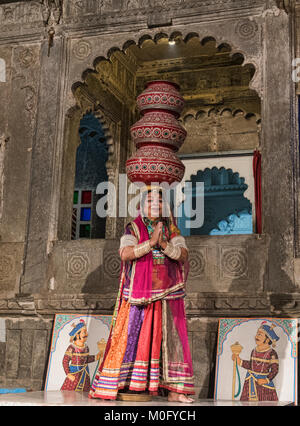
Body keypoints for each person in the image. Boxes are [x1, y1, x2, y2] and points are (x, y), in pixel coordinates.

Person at [89, 186, 195, 402]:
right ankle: (128, 385)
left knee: (168, 341)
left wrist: (162, 243)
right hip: (138, 296)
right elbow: (126, 254)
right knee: (134, 337)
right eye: (149, 202)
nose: (154, 205)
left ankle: (174, 391)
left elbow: (182, 256)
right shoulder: (133, 229)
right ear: (140, 206)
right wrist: (150, 243)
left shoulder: (172, 230)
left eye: (159, 202)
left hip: (166, 293)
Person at [232, 322, 279, 401]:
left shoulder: (272, 353)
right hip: (250, 381)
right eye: (257, 333)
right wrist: (240, 361)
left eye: (260, 334)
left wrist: (266, 380)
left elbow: (275, 370)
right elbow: (252, 365)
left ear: (267, 339)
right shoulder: (254, 350)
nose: (256, 336)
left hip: (263, 384)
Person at [61, 319, 101, 392]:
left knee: (84, 393)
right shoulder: (71, 348)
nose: (86, 334)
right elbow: (65, 361)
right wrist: (68, 374)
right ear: (77, 334)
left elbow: (86, 359)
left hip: (85, 373)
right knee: (70, 394)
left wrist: (96, 357)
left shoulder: (86, 347)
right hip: (74, 373)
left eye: (86, 332)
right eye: (84, 332)